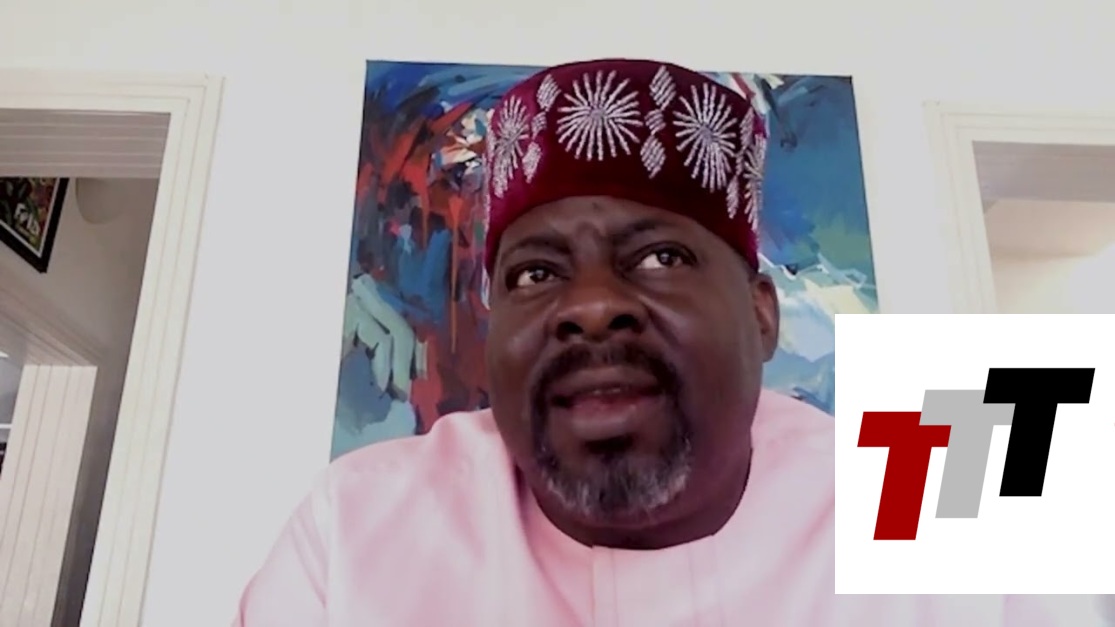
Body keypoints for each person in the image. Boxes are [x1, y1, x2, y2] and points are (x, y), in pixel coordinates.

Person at [234, 59, 1105, 626]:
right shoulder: (357, 524)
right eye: (534, 273)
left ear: (760, 313)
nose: (591, 308)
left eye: (660, 256)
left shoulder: (960, 466)